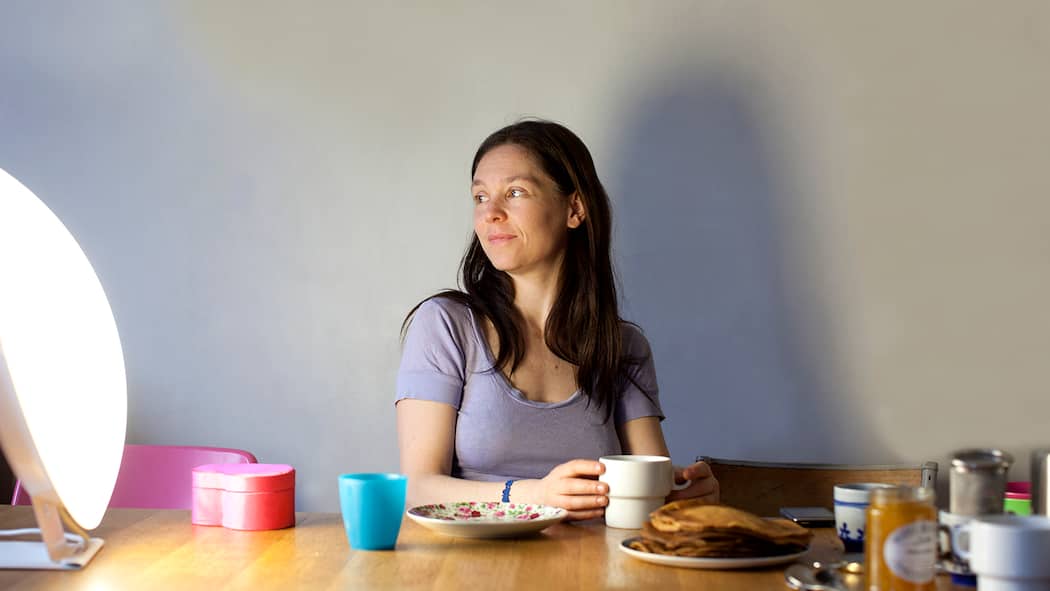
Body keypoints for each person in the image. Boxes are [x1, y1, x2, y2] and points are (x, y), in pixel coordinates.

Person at [395, 119, 718, 521]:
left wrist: (684, 494)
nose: (490, 213)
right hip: (478, 559)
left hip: (596, 558)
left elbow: (651, 489)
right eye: (480, 196)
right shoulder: (446, 326)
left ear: (574, 208)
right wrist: (533, 494)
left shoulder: (622, 347)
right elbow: (417, 488)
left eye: (515, 192)